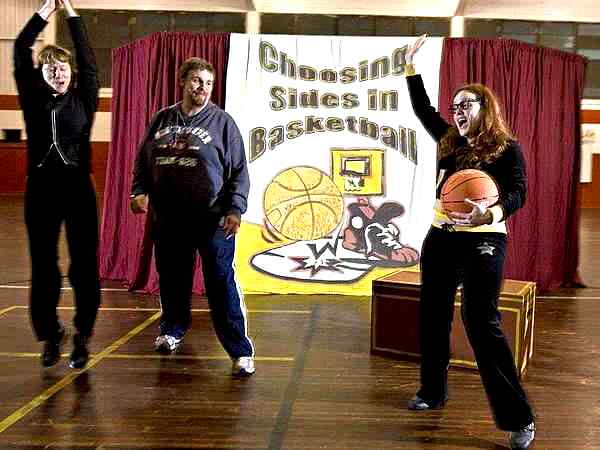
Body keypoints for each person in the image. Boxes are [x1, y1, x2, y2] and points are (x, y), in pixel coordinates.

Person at [403, 35, 535, 450]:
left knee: (482, 323)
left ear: (486, 109)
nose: (458, 112)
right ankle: (432, 391)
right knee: (433, 316)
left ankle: (519, 418)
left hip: (484, 240)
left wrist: (490, 213)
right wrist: (410, 67)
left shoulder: (506, 149)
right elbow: (423, 108)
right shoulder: (448, 141)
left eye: (467, 105)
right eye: (455, 106)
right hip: (442, 237)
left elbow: (518, 192)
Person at [130, 57, 255, 376]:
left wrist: (235, 208)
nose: (203, 87)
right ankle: (172, 330)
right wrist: (138, 191)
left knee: (220, 284)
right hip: (169, 218)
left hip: (212, 219)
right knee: (172, 279)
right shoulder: (162, 119)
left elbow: (239, 171)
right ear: (183, 81)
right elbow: (143, 161)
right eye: (197, 81)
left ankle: (240, 350)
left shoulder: (223, 123)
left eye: (208, 83)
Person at [13, 0, 101, 370]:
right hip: (42, 192)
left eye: (63, 67)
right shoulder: (32, 98)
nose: (59, 73)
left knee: (83, 266)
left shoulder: (84, 97)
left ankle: (82, 336)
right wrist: (46, 9)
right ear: (43, 74)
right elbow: (21, 48)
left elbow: (88, 59)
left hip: (78, 189)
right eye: (51, 68)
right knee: (44, 268)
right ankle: (50, 336)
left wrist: (71, 14)